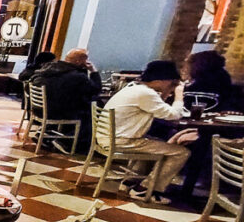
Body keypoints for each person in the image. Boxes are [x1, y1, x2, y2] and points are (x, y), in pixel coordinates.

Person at [103, 59, 195, 204]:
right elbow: (173, 114)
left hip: (110, 137)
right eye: (171, 83)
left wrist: (165, 93)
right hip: (123, 140)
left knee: (154, 143)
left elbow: (159, 108)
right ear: (162, 80)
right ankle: (147, 190)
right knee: (181, 152)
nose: (172, 86)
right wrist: (178, 95)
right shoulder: (145, 94)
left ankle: (130, 182)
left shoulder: (134, 88)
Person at [29, 48, 101, 152]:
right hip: (57, 113)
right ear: (78, 61)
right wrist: (94, 71)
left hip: (39, 109)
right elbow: (95, 90)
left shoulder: (47, 68)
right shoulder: (77, 76)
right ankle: (67, 142)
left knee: (80, 106)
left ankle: (48, 133)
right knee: (90, 112)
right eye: (85, 59)